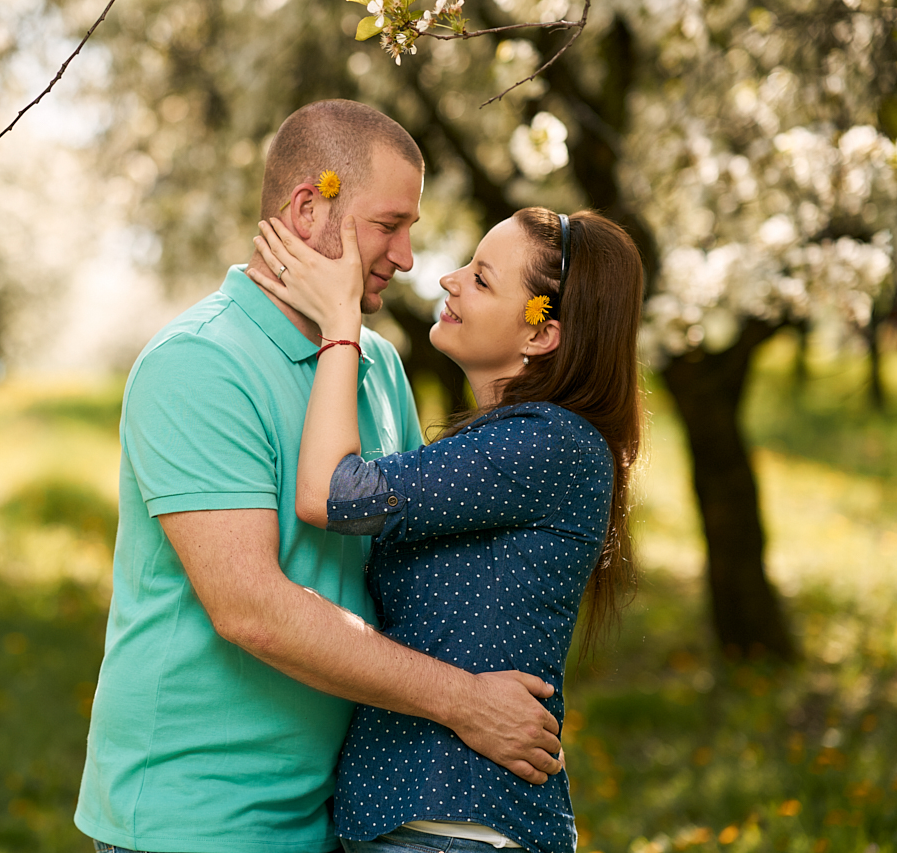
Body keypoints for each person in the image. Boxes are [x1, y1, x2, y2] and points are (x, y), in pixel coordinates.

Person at [74, 100, 565, 853]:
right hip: (193, 819)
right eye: (389, 224)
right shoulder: (198, 364)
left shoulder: (375, 366)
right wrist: (464, 701)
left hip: (331, 816)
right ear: (310, 208)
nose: (407, 257)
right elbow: (253, 610)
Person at [247, 206, 644, 853]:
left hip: (453, 826)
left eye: (483, 280)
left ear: (542, 334)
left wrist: (340, 324)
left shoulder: (547, 442)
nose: (448, 281)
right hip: (423, 825)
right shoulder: (514, 442)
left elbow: (329, 493)